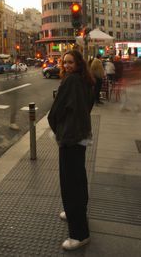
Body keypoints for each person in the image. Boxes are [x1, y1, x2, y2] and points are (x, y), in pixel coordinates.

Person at [47, 49, 95, 251]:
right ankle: (76, 212)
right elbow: (89, 105)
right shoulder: (85, 80)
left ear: (78, 64)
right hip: (80, 136)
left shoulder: (70, 81)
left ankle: (79, 234)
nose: (66, 66)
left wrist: (58, 129)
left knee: (70, 183)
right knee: (78, 178)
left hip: (69, 137)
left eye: (70, 62)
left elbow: (55, 112)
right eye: (64, 62)